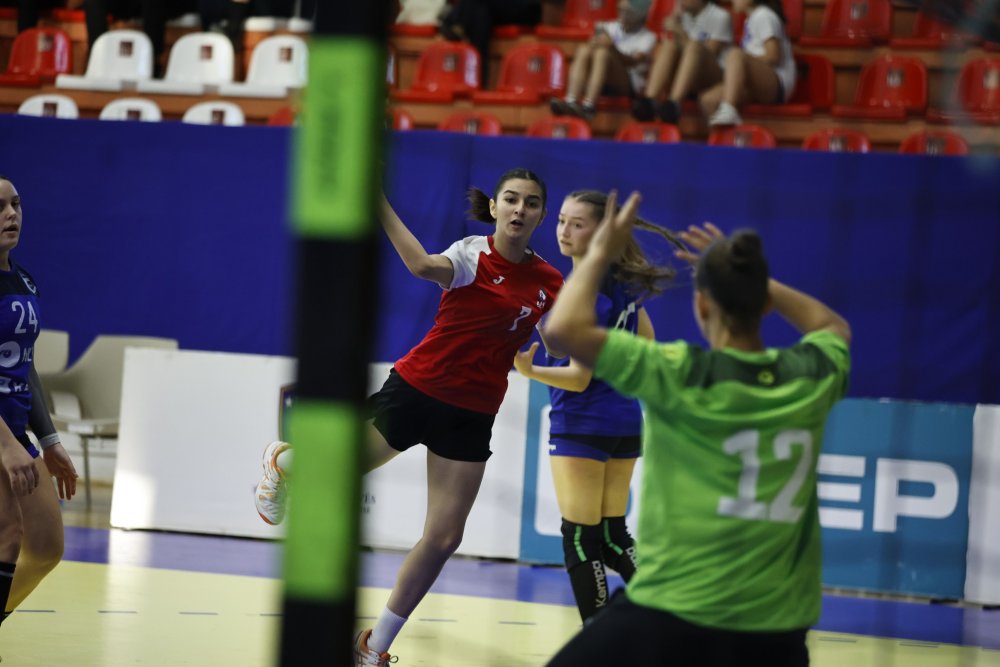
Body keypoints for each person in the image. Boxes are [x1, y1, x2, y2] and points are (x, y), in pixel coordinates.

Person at [254, 168, 564, 667]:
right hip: (419, 390)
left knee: (444, 538)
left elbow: (557, 340)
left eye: (531, 203)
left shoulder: (550, 280)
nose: (519, 209)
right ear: (494, 208)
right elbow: (420, 266)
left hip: (474, 412)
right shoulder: (471, 254)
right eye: (511, 199)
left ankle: (373, 647)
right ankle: (284, 462)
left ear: (542, 216)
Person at [542, 193, 851, 666]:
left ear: (702, 306)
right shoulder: (807, 378)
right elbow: (833, 326)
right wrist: (750, 279)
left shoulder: (679, 374)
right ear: (765, 304)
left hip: (675, 611)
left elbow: (563, 331)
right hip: (778, 628)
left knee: (587, 541)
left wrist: (600, 254)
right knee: (612, 535)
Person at [513, 189, 678, 622]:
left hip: (583, 423)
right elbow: (647, 344)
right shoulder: (622, 283)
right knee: (611, 536)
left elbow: (579, 378)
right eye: (561, 221)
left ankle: (597, 636)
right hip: (624, 420)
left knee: (580, 539)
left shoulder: (583, 289)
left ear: (601, 231)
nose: (564, 231)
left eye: (577, 224)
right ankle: (672, 609)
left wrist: (530, 371)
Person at [0, 176, 78, 635]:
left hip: (17, 432)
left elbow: (24, 363)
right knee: (8, 537)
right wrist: (6, 446)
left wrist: (48, 439)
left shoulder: (24, 279)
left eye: (16, 204)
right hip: (1, 438)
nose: (11, 214)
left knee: (46, 547)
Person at [550, 0, 656, 121]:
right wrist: (594, 42)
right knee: (584, 50)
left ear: (639, 15)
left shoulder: (648, 37)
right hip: (601, 78)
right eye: (621, 10)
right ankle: (571, 101)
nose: (622, 14)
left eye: (628, 12)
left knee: (603, 53)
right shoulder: (608, 27)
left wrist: (612, 47)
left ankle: (589, 106)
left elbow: (632, 62)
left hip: (627, 83)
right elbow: (590, 49)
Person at [630, 0, 732, 123]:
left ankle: (674, 104)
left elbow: (709, 55)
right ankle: (650, 101)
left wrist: (680, 33)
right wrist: (675, 23)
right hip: (686, 76)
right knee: (669, 45)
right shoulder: (684, 16)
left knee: (694, 46)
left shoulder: (720, 16)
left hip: (712, 79)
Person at [700, 0, 795, 126]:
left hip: (777, 81)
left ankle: (729, 108)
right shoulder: (750, 19)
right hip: (754, 80)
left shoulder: (764, 15)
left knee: (735, 54)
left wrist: (742, 63)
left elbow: (773, 56)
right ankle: (722, 137)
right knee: (708, 100)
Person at [439, 0, 565, 85]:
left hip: (533, 8)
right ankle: (478, 79)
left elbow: (553, 13)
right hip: (499, 6)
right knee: (480, 12)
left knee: (479, 5)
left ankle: (453, 21)